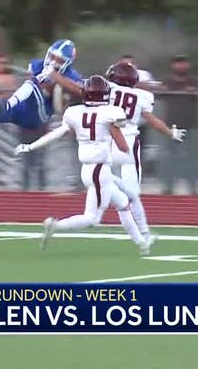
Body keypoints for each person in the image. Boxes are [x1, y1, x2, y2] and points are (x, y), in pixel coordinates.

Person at [51, 60, 187, 244]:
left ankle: (133, 226)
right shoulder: (142, 96)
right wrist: (170, 133)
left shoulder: (109, 89)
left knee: (119, 196)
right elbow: (152, 120)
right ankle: (145, 234)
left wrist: (54, 75)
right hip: (128, 146)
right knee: (132, 195)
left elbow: (75, 87)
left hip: (109, 145)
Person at [14, 76, 151, 255]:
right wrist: (123, 141)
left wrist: (30, 146)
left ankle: (142, 244)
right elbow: (123, 146)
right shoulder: (111, 112)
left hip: (88, 170)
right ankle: (55, 225)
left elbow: (57, 133)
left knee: (123, 203)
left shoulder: (74, 112)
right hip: (99, 170)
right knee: (92, 218)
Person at [0, 39, 83, 166]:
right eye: (52, 56)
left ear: (67, 62)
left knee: (33, 84)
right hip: (21, 108)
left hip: (39, 114)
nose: (53, 61)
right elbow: (30, 82)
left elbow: (79, 90)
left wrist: (55, 77)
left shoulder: (71, 75)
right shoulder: (37, 65)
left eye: (59, 60)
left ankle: (7, 104)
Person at [162, 54, 198, 195]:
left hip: (190, 124)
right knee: (170, 155)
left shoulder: (194, 80)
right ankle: (169, 187)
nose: (180, 66)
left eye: (183, 63)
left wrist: (194, 92)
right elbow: (158, 95)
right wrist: (164, 90)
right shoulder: (168, 80)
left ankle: (193, 187)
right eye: (177, 63)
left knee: (191, 156)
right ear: (172, 65)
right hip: (172, 125)